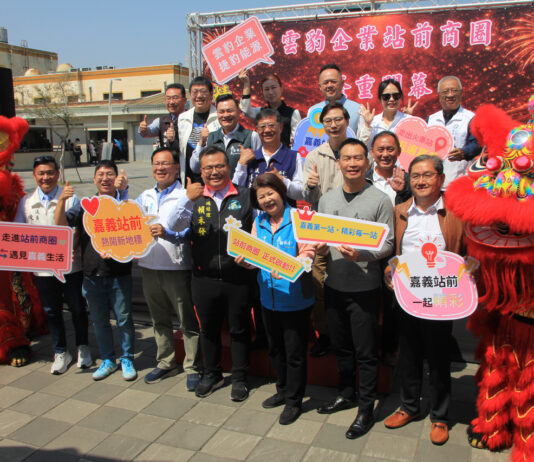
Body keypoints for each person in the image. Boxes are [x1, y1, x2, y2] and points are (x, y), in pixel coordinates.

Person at [316, 138, 394, 440]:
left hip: (365, 290)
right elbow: (320, 237)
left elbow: (388, 244)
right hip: (334, 285)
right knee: (342, 347)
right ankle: (346, 394)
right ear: (338, 163)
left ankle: (366, 408)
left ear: (367, 162)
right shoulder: (327, 200)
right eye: (346, 158)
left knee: (365, 352)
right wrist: (320, 248)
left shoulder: (380, 200)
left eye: (358, 158)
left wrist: (361, 254)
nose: (352, 163)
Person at [383, 155, 463, 445]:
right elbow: (390, 252)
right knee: (409, 354)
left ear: (441, 178)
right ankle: (409, 406)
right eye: (415, 175)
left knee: (439, 358)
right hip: (407, 297)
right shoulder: (399, 211)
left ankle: (440, 416)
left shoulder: (456, 213)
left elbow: (468, 253)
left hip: (441, 298)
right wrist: (388, 273)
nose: (421, 181)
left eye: (427, 175)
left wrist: (470, 272)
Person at [169, 146, 254, 402]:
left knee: (239, 329)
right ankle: (212, 374)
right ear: (201, 171)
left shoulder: (245, 195)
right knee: (208, 330)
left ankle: (240, 378)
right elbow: (174, 225)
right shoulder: (194, 198)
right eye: (208, 168)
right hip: (203, 278)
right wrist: (187, 199)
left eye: (219, 166)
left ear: (229, 167)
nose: (214, 172)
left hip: (238, 277)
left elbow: (259, 231)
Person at [236, 173, 315, 425]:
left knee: (294, 353)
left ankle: (294, 401)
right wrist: (246, 262)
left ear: (281, 192)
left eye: (271, 193)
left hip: (295, 299)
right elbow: (254, 257)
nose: (267, 200)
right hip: (268, 298)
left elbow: (308, 253)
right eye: (261, 197)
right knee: (275, 349)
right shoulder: (258, 221)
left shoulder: (300, 219)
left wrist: (294, 265)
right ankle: (282, 389)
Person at [55, 160, 136, 381]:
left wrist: (117, 248)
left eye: (110, 174)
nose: (105, 178)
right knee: (100, 322)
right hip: (91, 275)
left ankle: (127, 358)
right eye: (100, 174)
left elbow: (135, 236)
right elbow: (61, 225)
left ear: (117, 178)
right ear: (94, 179)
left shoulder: (125, 204)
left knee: (124, 320)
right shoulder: (85, 205)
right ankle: (108, 360)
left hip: (120, 274)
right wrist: (61, 200)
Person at [14, 155, 92, 374]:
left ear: (57, 174)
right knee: (52, 311)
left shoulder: (71, 198)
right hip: (43, 269)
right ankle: (60, 351)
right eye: (41, 173)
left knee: (77, 308)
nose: (46, 177)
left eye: (50, 173)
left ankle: (83, 347)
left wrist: (72, 245)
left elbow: (76, 229)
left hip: (70, 267)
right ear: (34, 176)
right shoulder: (26, 202)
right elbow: (19, 232)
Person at [136, 147, 202, 389]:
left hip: (176, 267)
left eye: (165, 163)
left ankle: (192, 366)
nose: (160, 168)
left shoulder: (187, 195)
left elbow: (191, 231)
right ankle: (166, 362)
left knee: (186, 320)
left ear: (176, 167)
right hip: (148, 266)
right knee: (159, 319)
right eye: (156, 163)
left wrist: (168, 233)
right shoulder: (143, 197)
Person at [303, 102, 350, 357]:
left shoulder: (355, 152)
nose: (333, 125)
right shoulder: (314, 156)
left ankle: (348, 335)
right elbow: (307, 196)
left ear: (347, 121)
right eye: (328, 121)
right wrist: (310, 186)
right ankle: (325, 334)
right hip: (322, 229)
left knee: (349, 283)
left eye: (338, 119)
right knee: (319, 285)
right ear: (322, 125)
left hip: (350, 229)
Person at [233, 108, 303, 202]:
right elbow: (236, 189)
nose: (267, 130)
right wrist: (241, 164)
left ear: (281, 127)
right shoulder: (250, 158)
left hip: (284, 211)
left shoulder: (293, 157)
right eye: (262, 127)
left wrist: (282, 180)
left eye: (271, 125)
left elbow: (300, 194)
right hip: (253, 211)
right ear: (256, 130)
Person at [427, 76, 481, 188]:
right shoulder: (431, 119)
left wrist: (464, 152)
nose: (450, 95)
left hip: (460, 183)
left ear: (461, 93)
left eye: (454, 90)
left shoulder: (471, 118)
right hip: (433, 185)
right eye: (445, 91)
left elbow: (477, 143)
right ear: (439, 96)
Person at [190, 94, 260, 177]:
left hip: (242, 185)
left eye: (229, 111)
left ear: (238, 112)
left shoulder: (252, 136)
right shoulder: (210, 137)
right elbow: (195, 168)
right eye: (221, 112)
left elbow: (259, 167)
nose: (226, 115)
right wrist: (201, 143)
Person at [307, 63, 372, 144]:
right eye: (326, 82)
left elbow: (363, 142)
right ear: (320, 86)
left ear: (342, 83)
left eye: (333, 82)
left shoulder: (358, 109)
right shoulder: (313, 111)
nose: (329, 85)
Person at [238, 69, 301, 147]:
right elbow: (246, 111)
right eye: (266, 89)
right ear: (263, 92)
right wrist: (246, 84)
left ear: (281, 88)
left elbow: (296, 141)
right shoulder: (261, 112)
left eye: (273, 87)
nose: (270, 92)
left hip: (285, 153)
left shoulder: (292, 113)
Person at [178, 76, 220, 183]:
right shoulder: (183, 118)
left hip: (213, 178)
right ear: (190, 95)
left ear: (211, 94)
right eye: (195, 92)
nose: (199, 96)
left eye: (203, 91)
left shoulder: (219, 117)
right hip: (188, 178)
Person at [139, 83, 186, 160]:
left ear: (184, 100)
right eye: (168, 98)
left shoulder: (191, 119)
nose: (171, 102)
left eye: (175, 98)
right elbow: (147, 132)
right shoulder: (161, 121)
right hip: (168, 164)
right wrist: (143, 129)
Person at [369, 79, 416, 146]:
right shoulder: (372, 122)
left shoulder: (409, 120)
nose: (391, 99)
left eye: (396, 96)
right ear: (380, 99)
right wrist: (367, 125)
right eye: (386, 97)